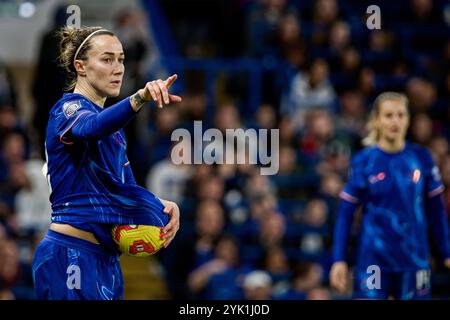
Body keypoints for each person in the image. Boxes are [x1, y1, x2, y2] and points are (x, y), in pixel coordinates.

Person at [32, 26, 182, 300]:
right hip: (70, 253)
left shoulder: (115, 131)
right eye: (107, 59)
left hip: (107, 261)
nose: (118, 68)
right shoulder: (67, 110)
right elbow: (91, 128)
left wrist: (159, 204)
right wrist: (139, 98)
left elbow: (123, 187)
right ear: (81, 67)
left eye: (121, 59)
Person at [329, 92, 450, 300]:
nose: (395, 121)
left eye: (401, 115)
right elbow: (345, 213)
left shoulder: (422, 158)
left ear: (408, 119)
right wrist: (338, 259)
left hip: (414, 259)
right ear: (376, 120)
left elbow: (436, 210)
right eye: (388, 115)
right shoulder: (364, 161)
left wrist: (446, 251)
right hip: (373, 260)